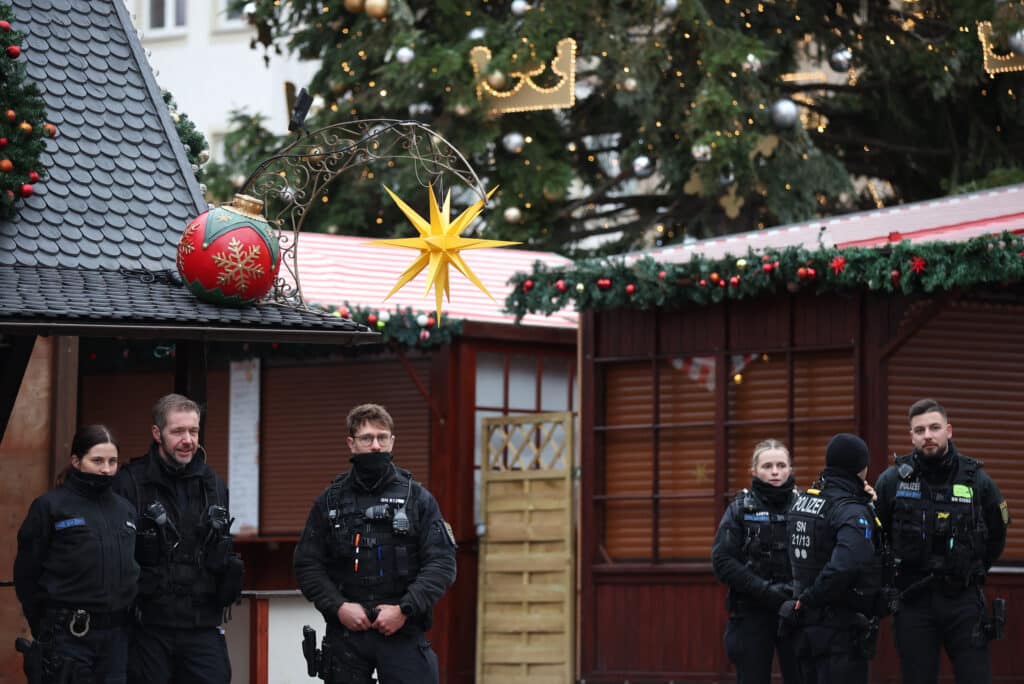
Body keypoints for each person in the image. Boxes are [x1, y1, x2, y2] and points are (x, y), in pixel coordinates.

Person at [294, 403, 457, 684]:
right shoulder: (329, 501)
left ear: (392, 441)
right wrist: (339, 607)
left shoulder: (417, 499)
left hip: (401, 631)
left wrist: (404, 610)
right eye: (367, 438)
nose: (375, 446)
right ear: (351, 443)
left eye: (382, 437)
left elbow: (442, 564)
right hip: (346, 636)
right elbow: (307, 564)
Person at [874, 399, 1010, 684]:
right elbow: (879, 534)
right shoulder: (891, 481)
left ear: (948, 431)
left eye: (934, 428)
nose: (927, 435)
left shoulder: (978, 482)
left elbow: (997, 534)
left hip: (962, 599)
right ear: (911, 436)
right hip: (912, 599)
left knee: (976, 677)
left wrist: (971, 565)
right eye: (920, 430)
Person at [112, 393, 241, 684]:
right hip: (148, 628)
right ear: (157, 433)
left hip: (202, 626)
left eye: (193, 431)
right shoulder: (130, 482)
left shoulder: (213, 484)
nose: (188, 440)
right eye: (178, 431)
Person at [14, 425, 139, 683]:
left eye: (112, 461)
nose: (106, 469)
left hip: (116, 638)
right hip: (67, 636)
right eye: (97, 460)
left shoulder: (125, 510)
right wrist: (44, 627)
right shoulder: (50, 507)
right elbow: (27, 574)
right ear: (76, 461)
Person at [782, 433, 882, 684]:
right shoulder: (851, 510)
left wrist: (803, 601)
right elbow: (846, 565)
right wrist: (810, 599)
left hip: (804, 626)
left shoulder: (803, 500)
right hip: (839, 629)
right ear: (862, 467)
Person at [711, 439, 801, 684]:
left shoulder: (805, 506)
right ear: (753, 471)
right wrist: (765, 591)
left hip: (797, 610)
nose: (775, 472)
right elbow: (722, 561)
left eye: (781, 465)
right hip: (752, 611)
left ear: (790, 469)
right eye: (767, 466)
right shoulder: (740, 508)